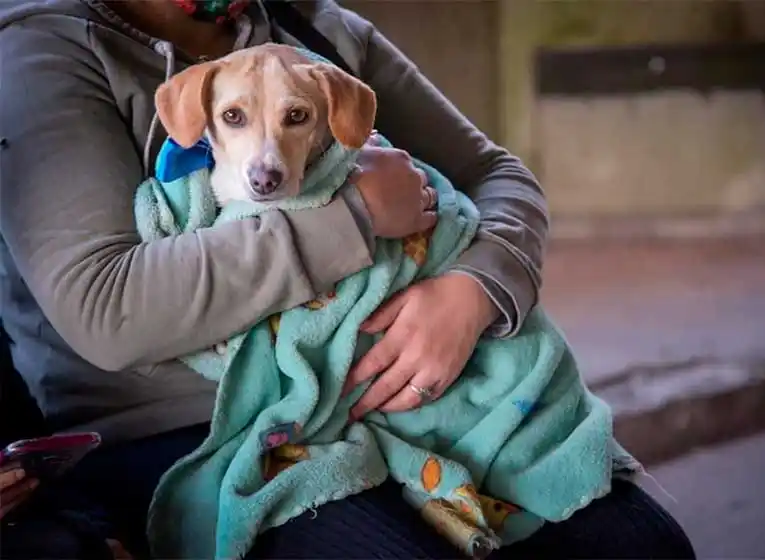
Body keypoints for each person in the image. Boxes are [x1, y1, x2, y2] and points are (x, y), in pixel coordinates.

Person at [0, 0, 695, 558]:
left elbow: (497, 176)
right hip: (185, 423)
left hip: (393, 399)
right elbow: (106, 311)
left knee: (643, 545)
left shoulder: (318, 31)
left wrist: (475, 289)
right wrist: (354, 216)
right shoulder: (44, 51)